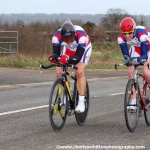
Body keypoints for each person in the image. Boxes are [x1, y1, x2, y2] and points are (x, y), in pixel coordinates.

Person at [48, 18, 92, 113]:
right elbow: (57, 55)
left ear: (74, 35)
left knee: (79, 71)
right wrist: (54, 58)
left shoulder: (81, 37)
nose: (68, 41)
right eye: (65, 39)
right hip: (68, 50)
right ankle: (67, 92)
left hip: (83, 49)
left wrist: (68, 58)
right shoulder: (56, 37)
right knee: (59, 72)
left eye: (71, 39)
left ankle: (81, 101)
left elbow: (78, 57)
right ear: (61, 36)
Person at [118, 17, 150, 110]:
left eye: (129, 33)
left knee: (146, 72)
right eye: (124, 33)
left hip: (147, 49)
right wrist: (128, 60)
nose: (127, 36)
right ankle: (133, 101)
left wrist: (138, 60)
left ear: (134, 30)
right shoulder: (120, 38)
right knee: (130, 71)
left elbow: (144, 56)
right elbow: (126, 55)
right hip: (136, 48)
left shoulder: (142, 35)